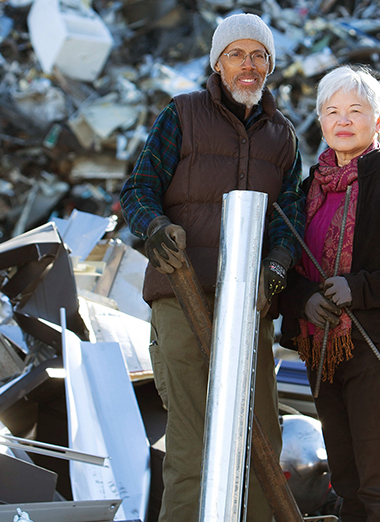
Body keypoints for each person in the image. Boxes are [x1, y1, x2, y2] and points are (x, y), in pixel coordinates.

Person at [119, 13, 305, 522]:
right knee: (192, 445)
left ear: (270, 65)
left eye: (259, 56)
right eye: (237, 54)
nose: (249, 65)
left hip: (250, 304)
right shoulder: (181, 115)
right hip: (182, 297)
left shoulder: (282, 137)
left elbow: (290, 219)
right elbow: (137, 191)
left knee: (261, 439)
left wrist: (279, 264)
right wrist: (155, 228)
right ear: (218, 62)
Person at [279, 65, 380, 521]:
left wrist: (358, 289)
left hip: (379, 353)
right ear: (321, 120)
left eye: (356, 110)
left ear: (379, 118)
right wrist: (304, 299)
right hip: (323, 351)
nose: (343, 120)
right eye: (332, 111)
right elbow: (286, 266)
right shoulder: (305, 191)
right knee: (347, 486)